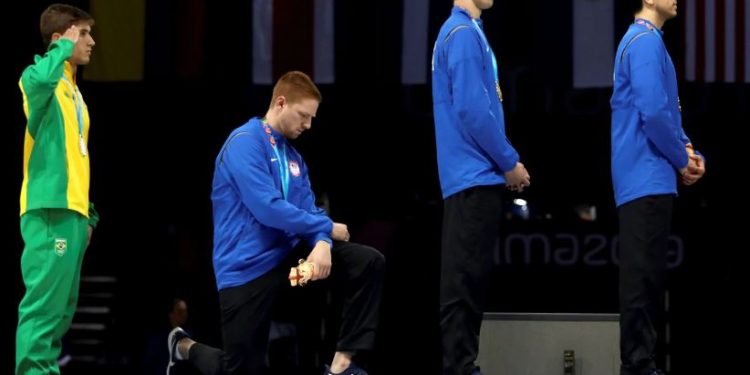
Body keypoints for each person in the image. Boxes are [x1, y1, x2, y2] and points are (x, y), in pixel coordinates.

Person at [168, 71, 385, 375]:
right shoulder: (244, 143)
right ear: (281, 103)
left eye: (312, 118)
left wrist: (322, 243)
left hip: (292, 273)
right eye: (303, 116)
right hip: (246, 274)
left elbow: (311, 210)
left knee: (366, 262)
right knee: (239, 369)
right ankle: (183, 347)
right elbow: (267, 209)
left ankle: (342, 364)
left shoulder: (294, 158)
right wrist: (327, 229)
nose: (308, 125)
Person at [431, 1, 531, 374]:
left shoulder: (468, 32)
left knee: (469, 280)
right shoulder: (461, 34)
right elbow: (474, 109)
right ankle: (461, 367)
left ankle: (462, 365)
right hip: (473, 173)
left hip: (472, 174)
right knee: (464, 282)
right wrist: (509, 162)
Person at [611, 1, 706, 374]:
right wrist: (683, 160)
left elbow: (665, 113)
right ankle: (637, 366)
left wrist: (688, 152)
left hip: (651, 176)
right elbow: (652, 113)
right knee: (642, 282)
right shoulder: (644, 41)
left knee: (648, 280)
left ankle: (641, 364)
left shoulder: (649, 41)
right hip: (644, 176)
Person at [15, 4, 99, 375]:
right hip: (49, 209)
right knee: (43, 308)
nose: (91, 41)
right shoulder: (38, 79)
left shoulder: (74, 93)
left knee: (62, 311)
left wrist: (87, 212)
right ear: (60, 38)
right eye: (83, 33)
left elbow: (73, 157)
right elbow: (39, 80)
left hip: (71, 213)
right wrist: (59, 50)